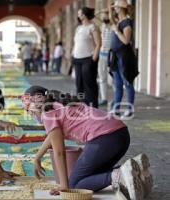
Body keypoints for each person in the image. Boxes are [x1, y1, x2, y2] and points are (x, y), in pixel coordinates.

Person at [21, 86, 153, 200]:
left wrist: (64, 186)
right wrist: (38, 157)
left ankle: (119, 175)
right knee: (92, 177)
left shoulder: (47, 114)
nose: (31, 114)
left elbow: (59, 152)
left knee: (75, 185)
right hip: (121, 135)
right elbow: (53, 136)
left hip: (105, 139)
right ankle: (138, 173)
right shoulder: (58, 105)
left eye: (30, 110)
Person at [109, 0, 138, 118]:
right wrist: (110, 10)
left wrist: (116, 30)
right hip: (116, 56)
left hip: (124, 57)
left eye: (116, 7)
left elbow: (126, 41)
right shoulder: (118, 21)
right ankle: (116, 109)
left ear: (121, 8)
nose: (115, 8)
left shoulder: (127, 22)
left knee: (127, 83)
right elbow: (110, 17)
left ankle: (129, 109)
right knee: (117, 84)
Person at [72, 7, 101, 108]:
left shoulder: (93, 27)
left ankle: (92, 107)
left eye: (79, 13)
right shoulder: (78, 28)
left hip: (88, 59)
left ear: (84, 15)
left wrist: (93, 59)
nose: (78, 15)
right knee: (79, 84)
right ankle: (81, 106)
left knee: (89, 84)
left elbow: (98, 44)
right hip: (77, 59)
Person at [98, 11, 112, 106]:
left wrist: (108, 12)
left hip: (111, 55)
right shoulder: (102, 25)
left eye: (106, 14)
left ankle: (115, 99)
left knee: (113, 78)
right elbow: (94, 17)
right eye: (103, 15)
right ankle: (104, 98)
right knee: (102, 78)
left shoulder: (114, 25)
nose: (104, 16)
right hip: (102, 54)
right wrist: (101, 11)